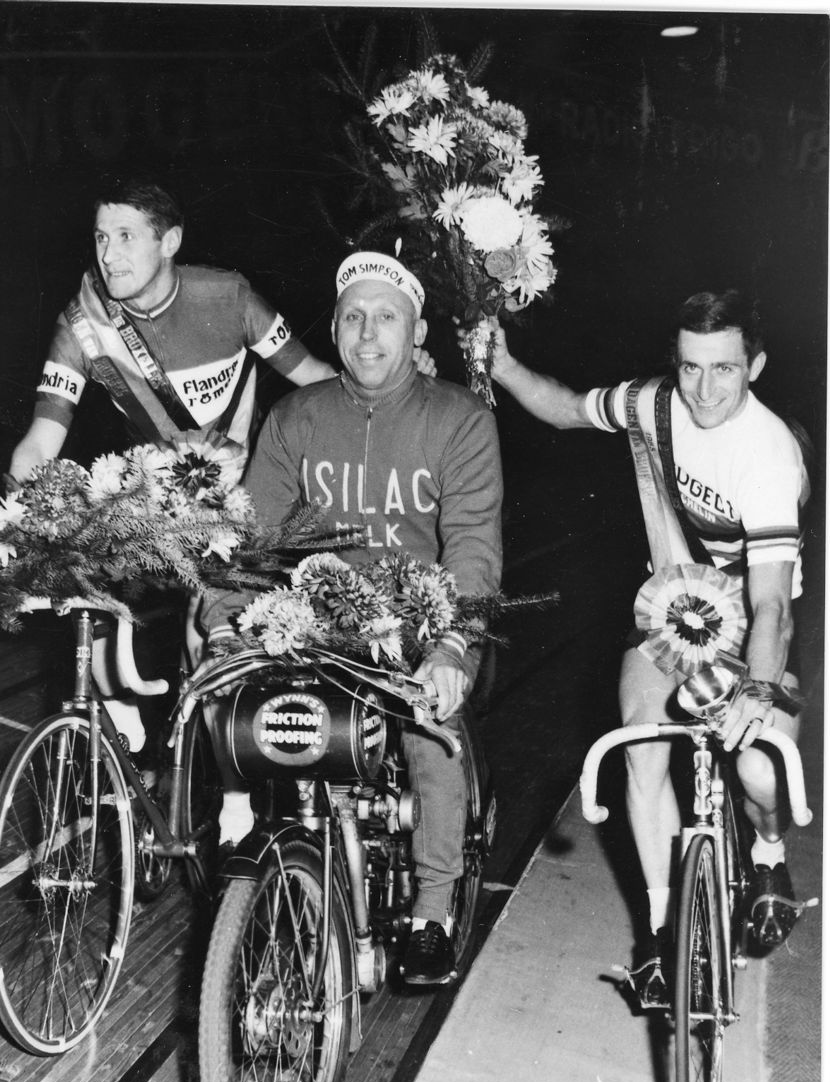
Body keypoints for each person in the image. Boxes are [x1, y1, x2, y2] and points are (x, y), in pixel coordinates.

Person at [6, 179, 433, 840]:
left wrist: (402, 380)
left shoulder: (228, 297)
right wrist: (22, 508)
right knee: (81, 587)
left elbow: (317, 378)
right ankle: (126, 727)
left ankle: (235, 796)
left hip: (249, 492)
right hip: (158, 499)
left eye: (126, 237)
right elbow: (42, 439)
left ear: (169, 241)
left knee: (213, 636)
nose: (109, 254)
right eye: (100, 237)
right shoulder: (83, 322)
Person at [464, 290, 810, 1007]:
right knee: (640, 742)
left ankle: (770, 858)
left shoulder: (769, 454)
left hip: (749, 619)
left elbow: (773, 601)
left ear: (756, 366)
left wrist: (760, 691)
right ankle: (657, 936)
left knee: (759, 771)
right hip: (670, 608)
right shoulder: (655, 404)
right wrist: (502, 365)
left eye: (724, 370)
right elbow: (564, 406)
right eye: (690, 368)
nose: (705, 390)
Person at [202, 250, 503, 986]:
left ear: (418, 329)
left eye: (387, 318)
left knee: (431, 735)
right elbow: (251, 541)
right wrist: (223, 624)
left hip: (423, 624)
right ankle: (256, 835)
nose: (369, 335)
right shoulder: (296, 416)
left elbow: (470, 547)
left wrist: (451, 648)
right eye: (354, 318)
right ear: (334, 330)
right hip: (318, 621)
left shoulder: (458, 419)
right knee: (254, 712)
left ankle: (432, 909)